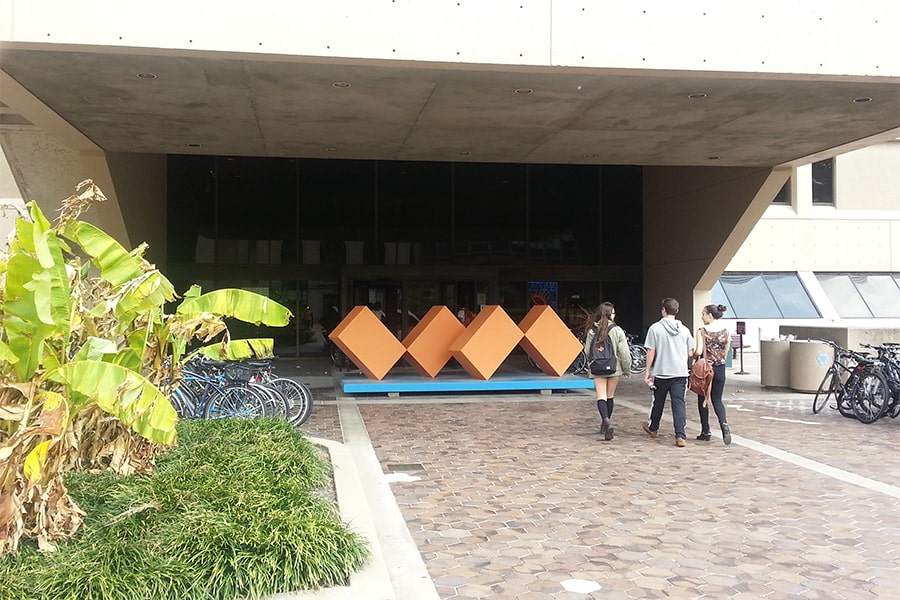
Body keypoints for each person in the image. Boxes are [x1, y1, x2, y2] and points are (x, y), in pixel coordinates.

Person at [642, 298, 695, 447]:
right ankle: (680, 435)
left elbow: (651, 351)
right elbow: (690, 353)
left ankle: (653, 428)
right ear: (677, 311)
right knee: (679, 403)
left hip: (662, 372)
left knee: (658, 401)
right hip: (680, 372)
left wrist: (648, 370)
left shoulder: (655, 328)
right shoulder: (684, 330)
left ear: (663, 310)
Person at [583, 302, 631, 441]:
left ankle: (606, 421)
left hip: (597, 367)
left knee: (601, 396)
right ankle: (607, 421)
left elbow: (587, 350)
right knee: (610, 397)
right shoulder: (617, 330)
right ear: (611, 315)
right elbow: (624, 353)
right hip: (614, 367)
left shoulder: (593, 330)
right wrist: (626, 370)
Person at [693, 304, 733, 445]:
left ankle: (706, 431)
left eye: (703, 314)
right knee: (717, 399)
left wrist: (691, 354)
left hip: (706, 370)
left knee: (702, 398)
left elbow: (698, 351)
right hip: (720, 368)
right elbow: (726, 350)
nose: (702, 317)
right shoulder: (726, 331)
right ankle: (724, 425)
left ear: (710, 315)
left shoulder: (702, 331)